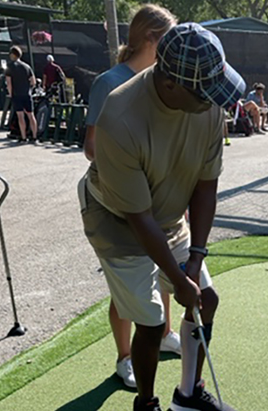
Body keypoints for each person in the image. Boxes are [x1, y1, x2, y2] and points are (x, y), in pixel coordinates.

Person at [78, 22, 246, 411]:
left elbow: (205, 187)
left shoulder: (206, 104)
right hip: (117, 221)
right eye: (205, 93)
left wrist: (197, 257)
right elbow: (138, 219)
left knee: (206, 298)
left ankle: (188, 394)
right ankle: (145, 405)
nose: (215, 102)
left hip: (167, 217)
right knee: (152, 322)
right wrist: (177, 276)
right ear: (169, 82)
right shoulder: (120, 116)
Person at [82, 4, 181, 390]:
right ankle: (125, 357)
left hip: (158, 198)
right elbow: (92, 146)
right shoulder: (111, 82)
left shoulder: (165, 80)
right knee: (127, 286)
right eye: (168, 40)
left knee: (163, 267)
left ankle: (165, 333)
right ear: (151, 38)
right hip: (118, 200)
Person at [6, 45, 38, 142]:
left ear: (12, 54)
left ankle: (24, 137)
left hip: (17, 94)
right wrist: (29, 89)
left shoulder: (10, 67)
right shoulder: (27, 66)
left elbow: (9, 82)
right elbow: (33, 81)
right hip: (27, 94)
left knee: (20, 116)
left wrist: (10, 94)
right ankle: (34, 136)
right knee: (31, 115)